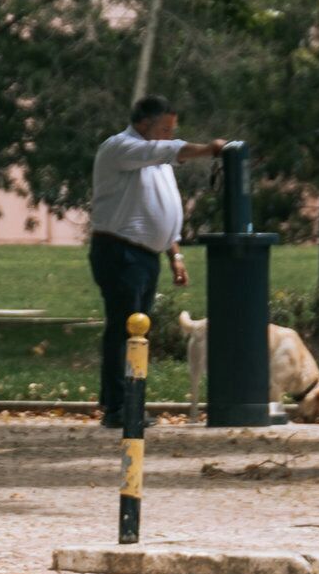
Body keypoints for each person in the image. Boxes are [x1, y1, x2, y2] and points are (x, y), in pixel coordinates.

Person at [89, 96, 236, 424]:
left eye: (173, 129)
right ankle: (117, 407)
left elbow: (156, 206)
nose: (169, 135)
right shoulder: (121, 148)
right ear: (143, 124)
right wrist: (210, 149)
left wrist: (175, 254)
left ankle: (131, 403)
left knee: (138, 332)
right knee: (125, 328)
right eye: (164, 128)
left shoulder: (156, 159)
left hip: (145, 255)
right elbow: (166, 152)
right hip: (119, 252)